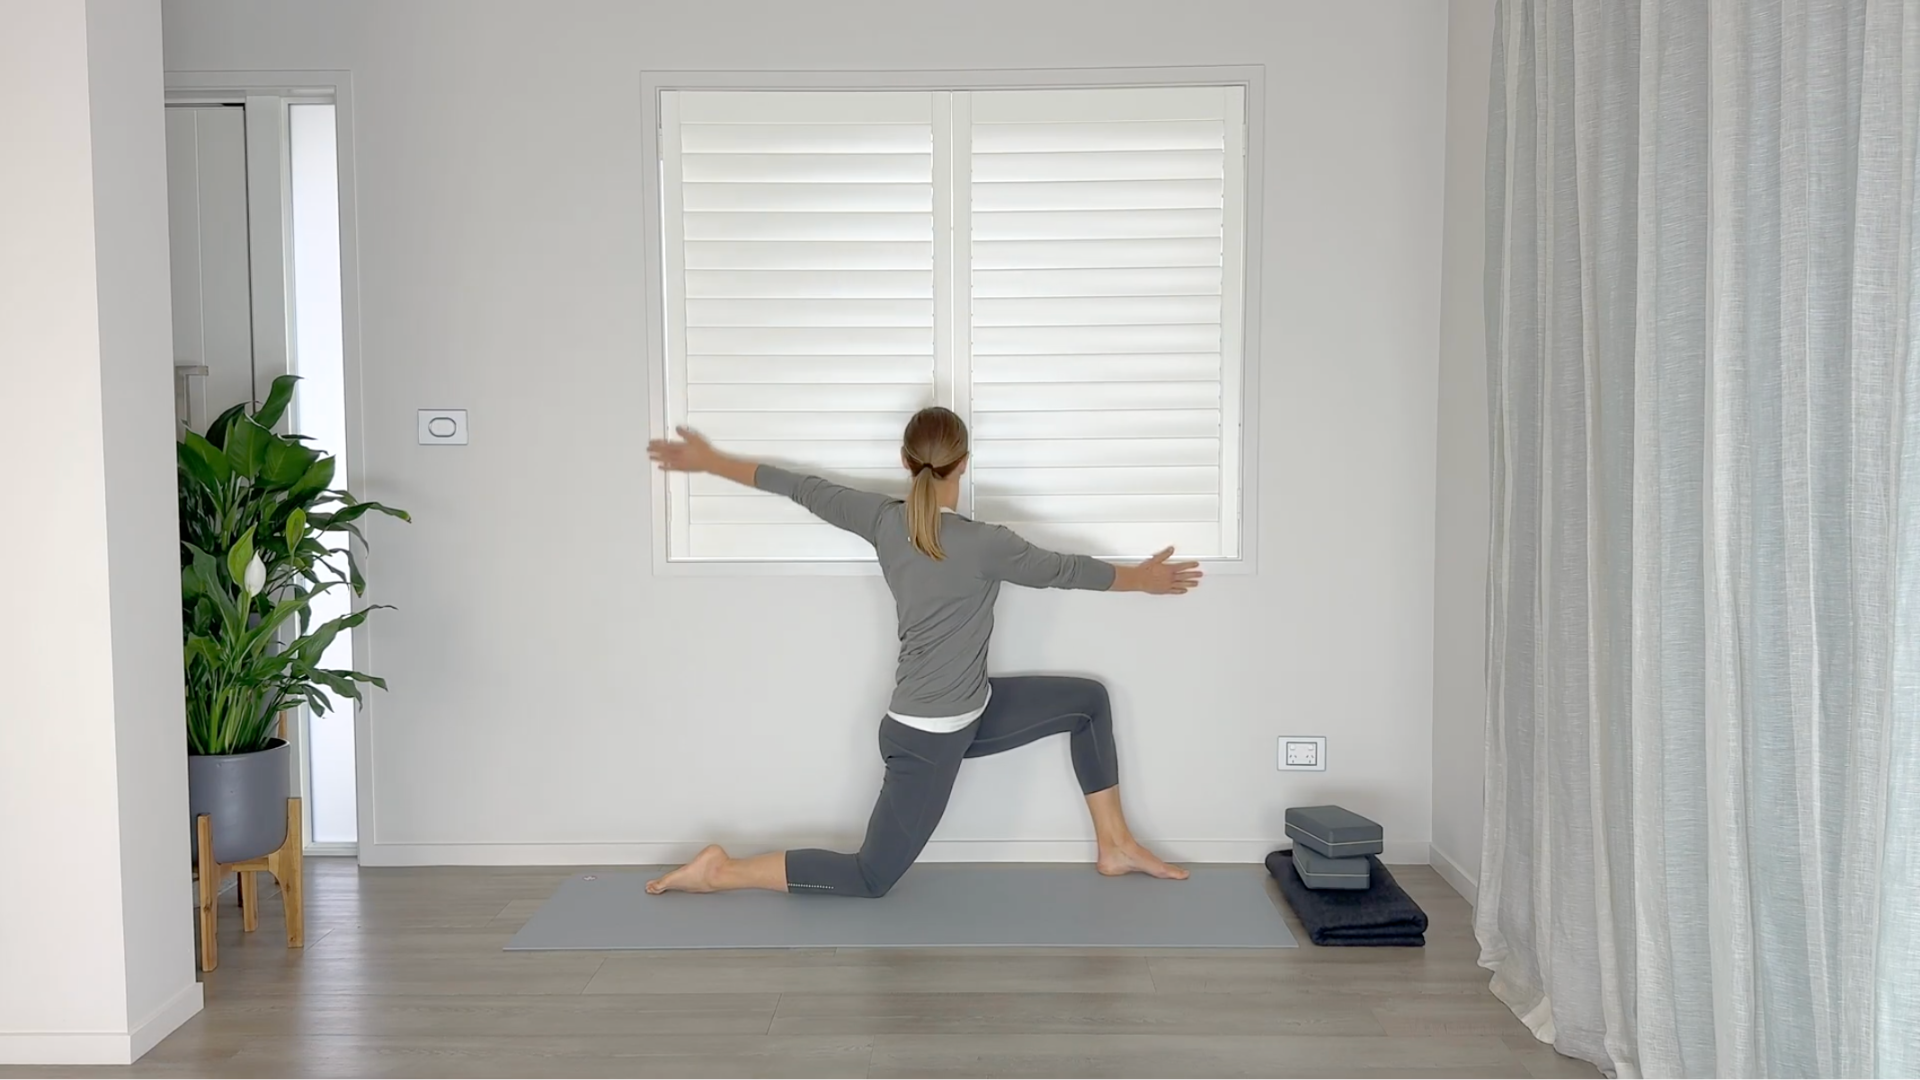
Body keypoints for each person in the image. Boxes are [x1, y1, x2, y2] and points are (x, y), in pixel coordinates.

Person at [643, 406, 1202, 898]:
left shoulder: (883, 520)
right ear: (965, 464)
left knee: (1087, 703)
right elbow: (1064, 570)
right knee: (870, 877)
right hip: (926, 740)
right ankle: (721, 872)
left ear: (905, 461)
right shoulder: (987, 543)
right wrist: (1140, 579)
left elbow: (801, 487)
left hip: (970, 711)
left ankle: (1116, 845)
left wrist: (711, 461)